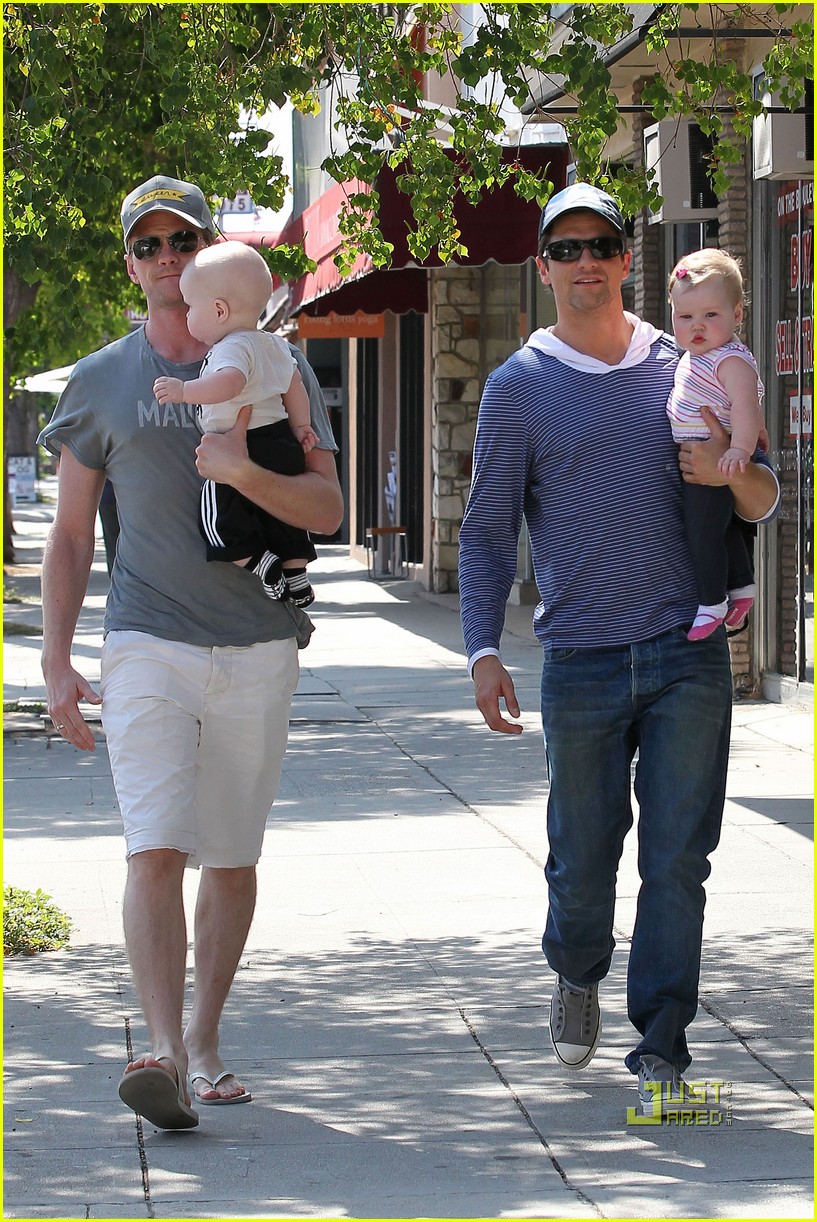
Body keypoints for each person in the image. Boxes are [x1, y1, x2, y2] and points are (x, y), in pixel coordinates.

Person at [458, 183, 779, 1116]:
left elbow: (761, 494)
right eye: (565, 249)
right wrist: (481, 649)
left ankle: (662, 1046)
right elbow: (484, 533)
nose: (584, 263)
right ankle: (575, 968)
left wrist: (727, 467)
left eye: (600, 245)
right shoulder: (518, 386)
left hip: (686, 650)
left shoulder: (689, 359)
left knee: (678, 857)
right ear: (543, 266)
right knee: (582, 854)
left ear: (625, 258)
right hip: (581, 662)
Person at [38, 174, 343, 1130]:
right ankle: (163, 1053)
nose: (167, 258)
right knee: (155, 844)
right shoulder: (102, 380)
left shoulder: (277, 365)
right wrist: (56, 663)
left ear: (213, 254)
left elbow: (327, 510)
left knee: (232, 855)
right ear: (130, 265)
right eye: (148, 245)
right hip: (146, 641)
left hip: (258, 645)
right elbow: (72, 536)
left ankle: (205, 1041)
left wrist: (244, 469)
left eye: (182, 241)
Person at [153, 242, 319, 608]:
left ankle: (261, 564)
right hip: (280, 442)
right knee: (283, 517)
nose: (187, 315)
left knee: (217, 519)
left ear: (218, 310)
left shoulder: (232, 347)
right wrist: (301, 427)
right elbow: (294, 386)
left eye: (190, 307)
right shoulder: (276, 345)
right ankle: (296, 570)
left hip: (240, 446)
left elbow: (230, 382)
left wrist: (184, 391)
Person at [667, 248, 765, 640]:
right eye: (685, 317)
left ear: (737, 314)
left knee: (703, 534)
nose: (697, 326)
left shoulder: (729, 359)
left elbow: (745, 404)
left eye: (711, 315)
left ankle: (712, 602)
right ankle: (741, 586)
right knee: (720, 528)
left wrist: (740, 450)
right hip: (705, 454)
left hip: (717, 457)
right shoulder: (699, 355)